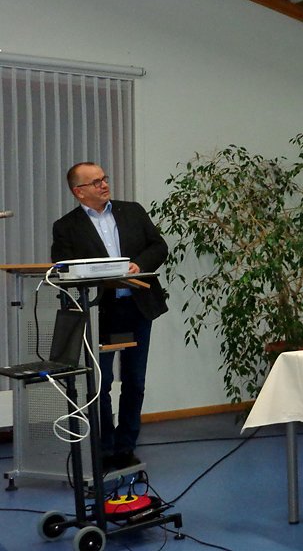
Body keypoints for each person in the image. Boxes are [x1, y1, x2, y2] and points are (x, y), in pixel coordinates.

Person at [51, 162, 168, 471]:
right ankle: (104, 450)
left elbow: (159, 246)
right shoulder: (66, 227)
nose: (104, 185)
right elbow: (62, 266)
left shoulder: (132, 211)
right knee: (99, 384)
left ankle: (126, 447)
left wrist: (138, 264)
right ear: (79, 191)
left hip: (137, 306)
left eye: (104, 179)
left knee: (135, 380)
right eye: (95, 182)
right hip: (99, 311)